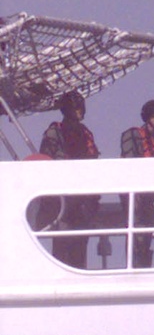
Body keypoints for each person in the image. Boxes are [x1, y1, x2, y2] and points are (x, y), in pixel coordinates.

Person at [39, 91, 100, 268]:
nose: (79, 111)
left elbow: (92, 161)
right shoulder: (54, 132)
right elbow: (47, 164)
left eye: (80, 107)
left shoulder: (85, 133)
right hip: (62, 199)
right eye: (75, 108)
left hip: (83, 199)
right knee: (62, 246)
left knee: (80, 247)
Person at [120, 99, 154, 268]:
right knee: (135, 232)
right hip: (135, 195)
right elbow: (130, 163)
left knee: (146, 234)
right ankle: (134, 265)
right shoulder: (133, 135)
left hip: (150, 196)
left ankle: (143, 264)